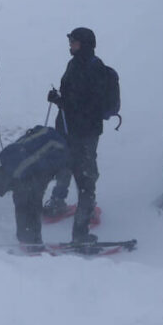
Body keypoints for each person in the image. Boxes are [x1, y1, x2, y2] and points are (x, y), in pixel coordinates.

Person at [46, 27, 107, 244]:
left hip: (85, 131)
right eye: (70, 41)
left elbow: (90, 103)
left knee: (86, 172)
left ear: (85, 45)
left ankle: (87, 211)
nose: (70, 44)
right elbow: (72, 94)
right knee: (63, 165)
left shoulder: (94, 68)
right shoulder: (74, 64)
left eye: (74, 42)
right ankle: (58, 201)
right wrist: (59, 98)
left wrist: (63, 102)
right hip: (67, 127)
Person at [0, 126, 71, 247]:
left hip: (59, 149)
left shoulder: (20, 171)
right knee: (25, 192)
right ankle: (28, 235)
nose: (9, 191)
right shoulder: (5, 158)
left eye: (7, 189)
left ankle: (32, 239)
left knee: (32, 196)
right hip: (47, 134)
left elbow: (30, 198)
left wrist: (30, 240)